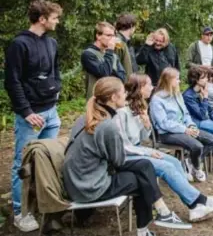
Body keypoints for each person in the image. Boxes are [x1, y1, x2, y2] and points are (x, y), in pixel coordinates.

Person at [63, 77, 171, 236]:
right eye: (123, 92)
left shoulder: (87, 116)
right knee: (141, 179)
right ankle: (145, 228)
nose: (126, 94)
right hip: (89, 187)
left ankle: (161, 211)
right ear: (114, 97)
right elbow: (118, 161)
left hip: (76, 182)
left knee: (144, 166)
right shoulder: (108, 125)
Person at [118, 74, 213, 224]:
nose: (152, 87)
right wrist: (149, 151)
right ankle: (199, 201)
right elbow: (123, 146)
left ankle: (194, 206)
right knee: (166, 166)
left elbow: (142, 137)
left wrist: (145, 124)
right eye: (149, 85)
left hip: (137, 150)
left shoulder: (138, 107)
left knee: (175, 162)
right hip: (127, 155)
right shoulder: (121, 112)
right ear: (139, 89)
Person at [4, 0, 63, 232]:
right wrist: (27, 112)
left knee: (48, 160)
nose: (57, 21)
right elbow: (12, 81)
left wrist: (55, 88)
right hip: (32, 115)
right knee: (24, 163)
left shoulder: (52, 43)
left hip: (51, 112)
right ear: (42, 19)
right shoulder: (19, 45)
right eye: (55, 17)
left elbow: (54, 71)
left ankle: (43, 205)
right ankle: (21, 212)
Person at [150, 68, 213, 182]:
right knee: (197, 146)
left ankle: (190, 162)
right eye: (176, 79)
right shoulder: (157, 99)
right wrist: (185, 129)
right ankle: (196, 167)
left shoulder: (177, 94)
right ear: (168, 80)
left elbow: (186, 114)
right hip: (167, 133)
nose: (179, 81)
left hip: (184, 128)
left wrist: (191, 126)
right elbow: (164, 123)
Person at [81, 22, 126, 100]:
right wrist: (110, 51)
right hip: (96, 101)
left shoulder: (113, 55)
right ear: (98, 36)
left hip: (114, 100)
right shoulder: (88, 54)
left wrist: (112, 72)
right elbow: (104, 74)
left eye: (113, 35)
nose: (112, 39)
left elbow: (122, 77)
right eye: (109, 35)